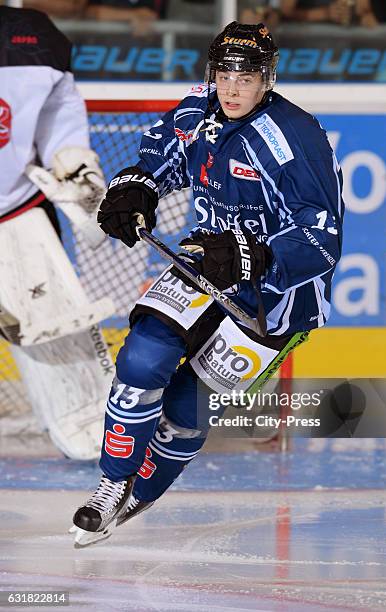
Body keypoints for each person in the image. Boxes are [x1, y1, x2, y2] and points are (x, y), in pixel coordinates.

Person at [71, 21, 344, 546]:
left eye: (248, 76)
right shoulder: (200, 107)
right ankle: (110, 484)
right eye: (225, 73)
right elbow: (161, 158)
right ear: (212, 73)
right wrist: (137, 189)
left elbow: (322, 239)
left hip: (274, 301)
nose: (234, 87)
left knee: (186, 408)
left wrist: (255, 257)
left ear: (268, 78)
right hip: (203, 265)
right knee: (141, 361)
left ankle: (144, 492)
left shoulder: (296, 138)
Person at [0, 6, 111, 460]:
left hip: (17, 212)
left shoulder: (33, 38)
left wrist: (74, 164)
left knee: (83, 422)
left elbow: (60, 122)